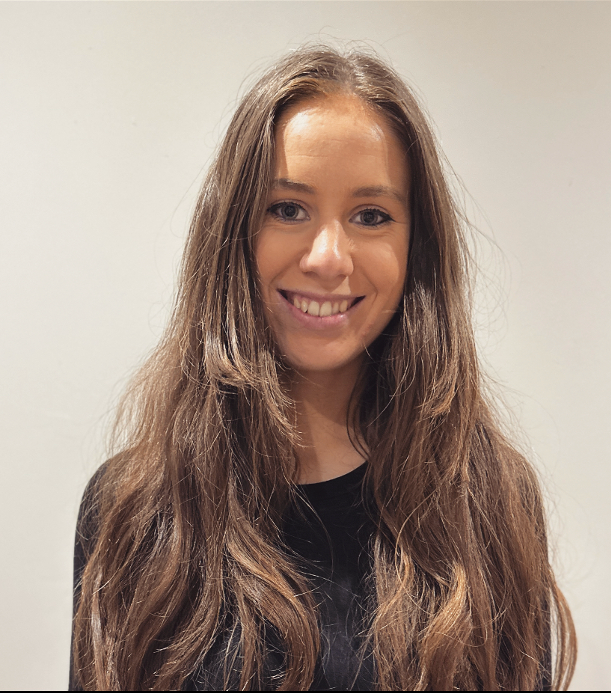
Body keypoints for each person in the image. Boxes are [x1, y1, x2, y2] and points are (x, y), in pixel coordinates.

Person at [70, 46, 576, 691]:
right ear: (233, 233)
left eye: (371, 216)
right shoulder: (134, 506)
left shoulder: (491, 500)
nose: (328, 258)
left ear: (415, 248)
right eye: (288, 208)